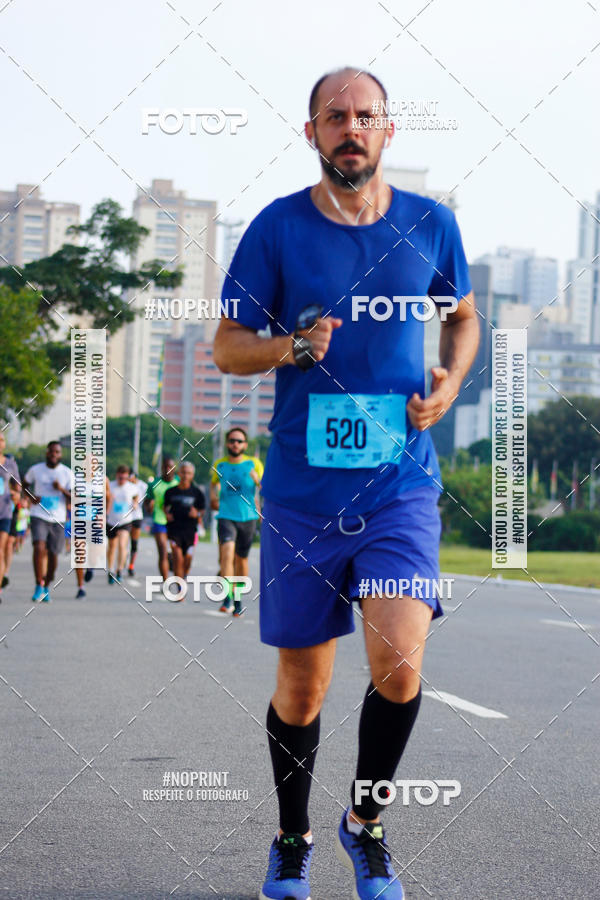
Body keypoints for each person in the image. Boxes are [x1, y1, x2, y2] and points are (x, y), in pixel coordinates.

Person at [213, 67, 479, 900]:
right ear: (313, 133)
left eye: (366, 116)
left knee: (399, 664)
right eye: (335, 116)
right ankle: (292, 838)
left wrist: (450, 383)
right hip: (301, 496)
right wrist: (290, 348)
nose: (351, 128)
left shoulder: (431, 224)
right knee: (304, 689)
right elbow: (227, 346)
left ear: (388, 130)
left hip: (399, 485)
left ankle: (365, 824)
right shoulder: (276, 229)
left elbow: (463, 316)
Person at [210, 427, 263, 616]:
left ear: (245, 445)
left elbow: (264, 488)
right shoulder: (220, 464)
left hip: (248, 517)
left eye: (239, 441)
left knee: (241, 559)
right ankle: (227, 597)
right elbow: (213, 484)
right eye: (232, 440)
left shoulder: (254, 463)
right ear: (227, 443)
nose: (235, 444)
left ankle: (238, 599)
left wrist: (257, 480)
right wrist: (213, 496)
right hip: (226, 516)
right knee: (226, 554)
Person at [23, 441, 73, 603]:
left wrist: (61, 489)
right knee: (39, 547)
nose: (54, 455)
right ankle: (39, 584)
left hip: (58, 518)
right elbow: (24, 485)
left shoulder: (67, 473)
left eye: (57, 452)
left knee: (53, 555)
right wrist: (31, 497)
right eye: (51, 451)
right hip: (38, 515)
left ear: (60, 454)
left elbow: (74, 497)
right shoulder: (36, 469)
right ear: (46, 453)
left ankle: (47, 584)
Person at [163, 462, 206, 597]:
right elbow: (165, 507)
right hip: (174, 529)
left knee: (187, 559)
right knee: (177, 557)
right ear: (179, 474)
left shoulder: (197, 493)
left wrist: (197, 514)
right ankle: (180, 588)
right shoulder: (170, 492)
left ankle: (184, 574)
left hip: (190, 531)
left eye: (188, 473)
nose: (185, 475)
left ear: (192, 475)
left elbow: (202, 510)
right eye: (183, 472)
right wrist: (167, 514)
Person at [146, 456, 179, 583]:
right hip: (160, 519)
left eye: (170, 466)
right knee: (162, 551)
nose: (168, 469)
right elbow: (148, 501)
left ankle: (179, 579)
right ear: (161, 468)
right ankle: (166, 582)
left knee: (177, 553)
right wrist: (149, 506)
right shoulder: (154, 484)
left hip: (176, 522)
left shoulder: (179, 481)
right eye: (165, 466)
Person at [106, 465, 139, 584]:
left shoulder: (132, 487)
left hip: (125, 521)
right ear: (117, 476)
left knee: (122, 544)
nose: (122, 481)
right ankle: (111, 570)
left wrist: (135, 503)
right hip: (111, 521)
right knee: (112, 546)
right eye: (120, 478)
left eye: (125, 478)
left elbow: (136, 498)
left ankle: (119, 570)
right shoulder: (110, 486)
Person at [0, 433, 21, 602]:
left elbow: (17, 485)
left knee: (2, 549)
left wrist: (16, 494)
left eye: (1, 439)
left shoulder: (10, 464)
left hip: (5, 512)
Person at [127, 471, 148, 577]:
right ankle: (121, 563)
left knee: (134, 543)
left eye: (130, 477)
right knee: (123, 541)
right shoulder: (124, 485)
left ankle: (131, 565)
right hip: (125, 517)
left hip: (137, 516)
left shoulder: (143, 486)